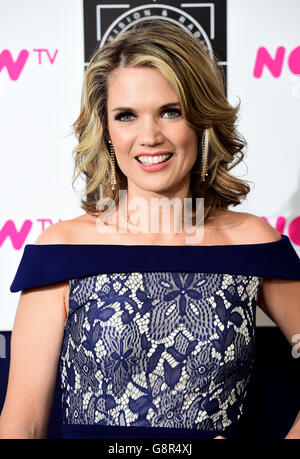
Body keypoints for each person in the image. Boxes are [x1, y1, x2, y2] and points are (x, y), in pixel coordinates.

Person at [1, 20, 300, 439]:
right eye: (127, 116)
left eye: (170, 112)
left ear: (200, 119)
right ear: (106, 131)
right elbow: (22, 425)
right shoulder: (61, 251)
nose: (149, 136)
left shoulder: (249, 244)